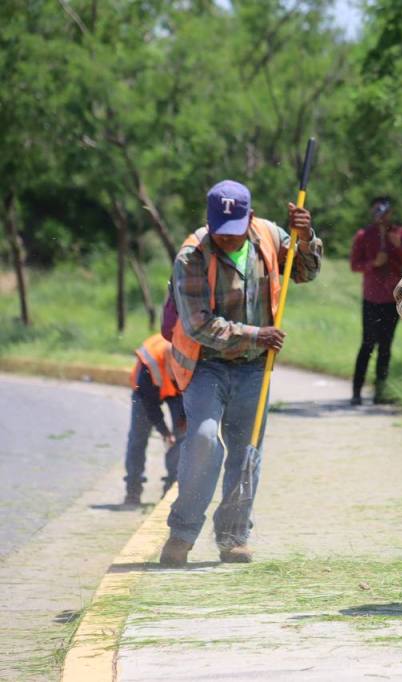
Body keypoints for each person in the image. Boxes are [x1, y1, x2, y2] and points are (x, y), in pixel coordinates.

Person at [160, 180, 322, 567]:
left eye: (234, 231)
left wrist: (305, 238)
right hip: (205, 364)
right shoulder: (191, 255)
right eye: (220, 231)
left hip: (253, 366)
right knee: (203, 441)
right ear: (209, 221)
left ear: (250, 219)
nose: (227, 239)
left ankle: (233, 537)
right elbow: (198, 324)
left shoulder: (269, 236)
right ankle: (182, 533)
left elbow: (305, 273)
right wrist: (256, 334)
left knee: (246, 451)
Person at [349, 196, 402, 405]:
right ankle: (356, 392)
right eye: (377, 211)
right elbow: (354, 265)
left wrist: (398, 246)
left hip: (393, 298)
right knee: (367, 344)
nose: (382, 216)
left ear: (391, 213)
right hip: (371, 297)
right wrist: (373, 263)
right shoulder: (363, 235)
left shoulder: (401, 234)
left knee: (386, 346)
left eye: (385, 211)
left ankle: (380, 392)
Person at [122, 333, 186, 506]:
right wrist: (165, 432)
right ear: (168, 361)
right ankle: (133, 489)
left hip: (177, 393)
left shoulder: (189, 360)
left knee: (183, 435)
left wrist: (178, 429)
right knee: (138, 438)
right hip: (145, 391)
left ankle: (172, 486)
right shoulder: (150, 363)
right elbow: (150, 405)